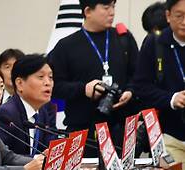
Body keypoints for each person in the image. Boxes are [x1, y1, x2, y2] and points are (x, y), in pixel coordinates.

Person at [134, 0, 185, 170]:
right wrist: (172, 99)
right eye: (179, 16)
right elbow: (141, 86)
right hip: (171, 133)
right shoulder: (155, 45)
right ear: (167, 16)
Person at [48, 0, 138, 156]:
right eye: (106, 7)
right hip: (83, 130)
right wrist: (84, 89)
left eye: (113, 7)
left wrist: (130, 91)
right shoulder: (66, 46)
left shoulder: (123, 39)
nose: (112, 12)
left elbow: (138, 75)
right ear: (88, 11)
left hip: (121, 127)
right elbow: (53, 87)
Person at [0, 54, 57, 156]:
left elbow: (50, 147)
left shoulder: (44, 111)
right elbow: (3, 159)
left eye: (51, 77)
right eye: (41, 77)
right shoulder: (6, 114)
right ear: (20, 83)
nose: (48, 83)